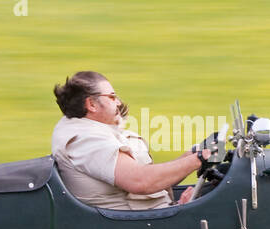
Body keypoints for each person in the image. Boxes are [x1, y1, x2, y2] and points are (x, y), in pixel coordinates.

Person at [51, 71, 208, 210]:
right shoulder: (87, 141)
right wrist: (197, 160)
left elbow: (152, 180)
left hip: (150, 218)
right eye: (112, 97)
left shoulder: (93, 130)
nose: (118, 102)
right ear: (91, 104)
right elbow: (141, 181)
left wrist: (190, 156)